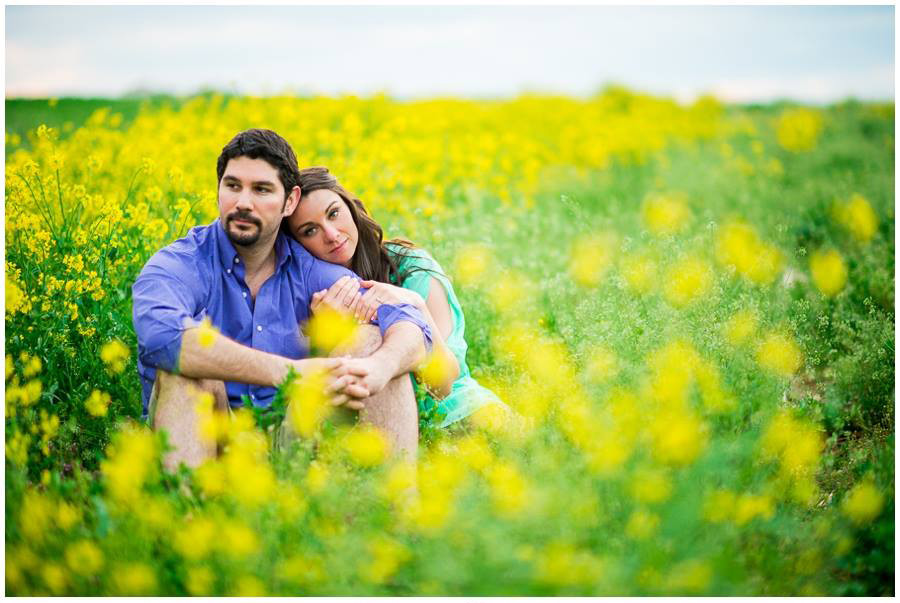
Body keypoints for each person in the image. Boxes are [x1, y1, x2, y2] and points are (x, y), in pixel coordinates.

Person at [132, 129, 432, 470]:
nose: (243, 202)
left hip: (293, 439)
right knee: (187, 370)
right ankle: (183, 515)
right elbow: (161, 338)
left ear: (290, 202)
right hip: (209, 438)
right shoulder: (180, 264)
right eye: (233, 186)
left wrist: (380, 367)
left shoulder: (310, 271)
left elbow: (411, 321)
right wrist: (293, 373)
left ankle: (394, 512)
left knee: (370, 340)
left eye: (261, 190)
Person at [286, 166, 503, 429]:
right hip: (378, 436)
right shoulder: (311, 299)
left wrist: (413, 303)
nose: (331, 235)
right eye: (310, 230)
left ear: (350, 207)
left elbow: (441, 384)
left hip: (462, 416)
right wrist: (324, 335)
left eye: (334, 213)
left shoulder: (410, 267)